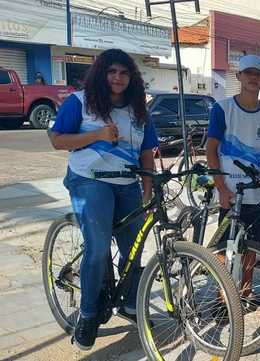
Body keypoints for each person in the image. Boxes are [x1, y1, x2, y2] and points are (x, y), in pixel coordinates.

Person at [48, 49, 158, 350]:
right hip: (89, 181)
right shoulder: (80, 102)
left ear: (131, 77)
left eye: (124, 72)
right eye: (112, 71)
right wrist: (96, 135)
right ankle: (87, 314)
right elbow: (57, 139)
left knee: (133, 249)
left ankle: (128, 301)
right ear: (101, 73)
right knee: (97, 250)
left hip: (127, 185)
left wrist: (147, 188)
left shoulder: (138, 109)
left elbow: (147, 153)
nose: (118, 78)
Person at [205, 55, 260, 303]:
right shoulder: (222, 108)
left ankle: (245, 290)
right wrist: (221, 188)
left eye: (258, 74)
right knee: (226, 246)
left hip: (255, 190)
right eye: (248, 73)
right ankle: (222, 294)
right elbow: (211, 149)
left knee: (252, 244)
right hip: (230, 188)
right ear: (239, 76)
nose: (253, 78)